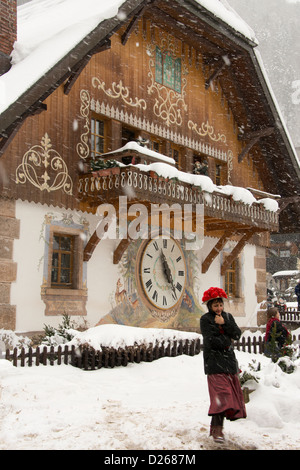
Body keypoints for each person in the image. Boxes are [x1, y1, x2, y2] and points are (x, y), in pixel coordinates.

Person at [200, 287, 246, 443]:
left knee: (224, 399)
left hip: (228, 363)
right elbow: (211, 340)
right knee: (222, 397)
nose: (219, 308)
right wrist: (226, 340)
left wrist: (225, 323)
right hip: (214, 363)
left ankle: (216, 430)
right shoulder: (205, 320)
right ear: (210, 307)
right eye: (215, 306)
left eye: (220, 305)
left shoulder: (227, 317)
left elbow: (237, 334)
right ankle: (217, 431)